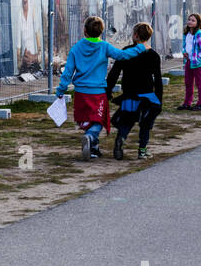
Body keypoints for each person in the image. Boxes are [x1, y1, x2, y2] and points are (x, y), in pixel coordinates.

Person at [55, 15, 147, 160]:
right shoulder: (104, 46)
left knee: (86, 120)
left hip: (80, 92)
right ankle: (90, 137)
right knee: (98, 120)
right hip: (97, 92)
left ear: (84, 31)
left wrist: (61, 89)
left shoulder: (76, 48)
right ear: (101, 32)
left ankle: (93, 149)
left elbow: (68, 72)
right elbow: (122, 55)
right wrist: (139, 48)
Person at [107, 22, 164, 160]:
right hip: (148, 95)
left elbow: (114, 73)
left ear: (136, 35)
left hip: (130, 94)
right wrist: (159, 98)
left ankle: (120, 139)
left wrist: (108, 89)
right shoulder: (153, 56)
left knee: (127, 120)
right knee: (146, 123)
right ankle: (142, 151)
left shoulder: (126, 52)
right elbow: (158, 79)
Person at [179, 13, 201, 110]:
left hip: (198, 63)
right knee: (188, 82)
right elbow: (184, 46)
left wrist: (197, 59)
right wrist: (184, 52)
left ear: (198, 23)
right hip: (188, 61)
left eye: (193, 20)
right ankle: (187, 103)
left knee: (199, 83)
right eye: (189, 19)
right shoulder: (186, 34)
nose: (190, 22)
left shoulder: (199, 34)